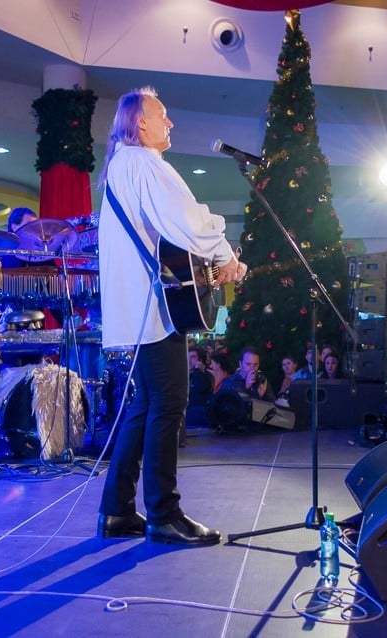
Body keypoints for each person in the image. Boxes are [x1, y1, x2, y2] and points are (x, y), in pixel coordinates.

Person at [95, 87, 246, 546]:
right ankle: (164, 515)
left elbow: (166, 234)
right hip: (153, 307)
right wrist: (228, 255)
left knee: (145, 406)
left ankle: (117, 511)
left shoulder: (122, 166)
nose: (171, 123)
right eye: (163, 115)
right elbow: (189, 223)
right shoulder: (144, 164)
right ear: (140, 122)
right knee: (169, 405)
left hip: (138, 307)